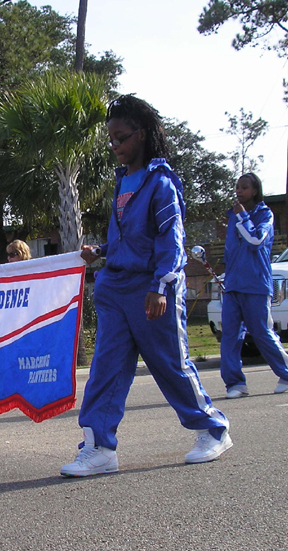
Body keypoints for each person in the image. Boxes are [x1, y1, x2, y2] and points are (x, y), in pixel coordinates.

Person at [60, 95, 232, 477]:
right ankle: (99, 446)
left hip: (152, 290)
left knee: (170, 365)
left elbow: (171, 239)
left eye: (120, 137)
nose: (115, 146)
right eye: (111, 139)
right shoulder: (122, 182)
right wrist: (101, 250)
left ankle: (212, 429)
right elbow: (129, 238)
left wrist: (161, 286)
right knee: (106, 369)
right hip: (115, 289)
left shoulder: (161, 183)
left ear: (142, 134)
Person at [220, 173, 288, 398]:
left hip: (256, 284)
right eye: (237, 187)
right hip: (234, 285)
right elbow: (232, 252)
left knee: (261, 332)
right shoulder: (233, 217)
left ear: (254, 191)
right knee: (230, 336)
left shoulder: (264, 215)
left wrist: (243, 217)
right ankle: (235, 384)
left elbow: (255, 241)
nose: (239, 191)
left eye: (244, 188)